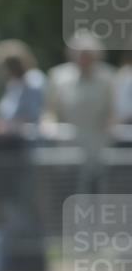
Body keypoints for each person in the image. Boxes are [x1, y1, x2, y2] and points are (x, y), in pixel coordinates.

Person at [0, 39, 46, 271]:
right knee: (12, 209)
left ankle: (30, 262)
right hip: (8, 156)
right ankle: (13, 261)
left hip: (25, 154)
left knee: (27, 207)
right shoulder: (13, 85)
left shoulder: (33, 82)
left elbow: (31, 117)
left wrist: (7, 127)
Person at [44, 30, 115, 195]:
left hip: (97, 149)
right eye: (80, 54)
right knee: (66, 194)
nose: (84, 58)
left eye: (88, 54)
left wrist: (110, 127)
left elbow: (113, 112)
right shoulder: (58, 76)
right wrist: (50, 127)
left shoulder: (108, 78)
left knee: (96, 193)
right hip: (67, 149)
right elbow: (49, 112)